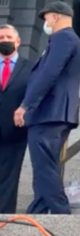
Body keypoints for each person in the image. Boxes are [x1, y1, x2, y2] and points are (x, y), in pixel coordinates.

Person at [14, 2, 80, 214]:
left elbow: (49, 74)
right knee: (45, 166)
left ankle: (62, 213)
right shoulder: (68, 39)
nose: (45, 23)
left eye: (46, 18)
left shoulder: (63, 38)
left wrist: (25, 105)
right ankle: (37, 212)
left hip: (50, 112)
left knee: (44, 167)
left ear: (55, 17)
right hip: (54, 112)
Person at [0, 25, 33, 213]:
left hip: (16, 129)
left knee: (10, 176)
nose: (4, 40)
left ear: (18, 41)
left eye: (8, 37)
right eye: (1, 37)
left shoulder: (30, 67)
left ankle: (4, 215)